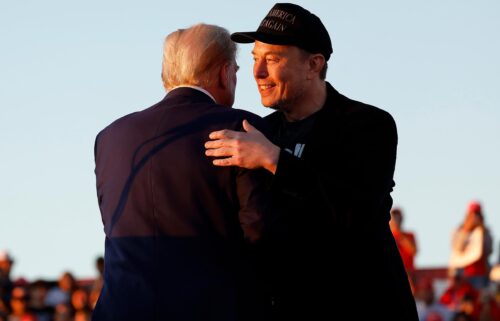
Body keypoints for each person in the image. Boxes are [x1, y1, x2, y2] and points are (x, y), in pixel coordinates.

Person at [204, 3, 418, 320]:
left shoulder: (368, 124)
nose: (258, 72)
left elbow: (359, 215)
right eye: (254, 59)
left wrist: (274, 159)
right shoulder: (261, 131)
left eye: (272, 59)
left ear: (314, 65)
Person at [92, 23, 271, 321]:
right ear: (224, 73)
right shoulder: (244, 129)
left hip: (121, 307)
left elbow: (112, 222)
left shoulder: (110, 137)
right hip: (211, 307)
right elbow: (259, 229)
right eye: (237, 72)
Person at [449, 200, 493, 291]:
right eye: (472, 215)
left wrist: (482, 233)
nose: (475, 218)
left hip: (480, 273)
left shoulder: (485, 232)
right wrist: (466, 231)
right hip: (462, 273)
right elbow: (457, 248)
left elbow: (489, 251)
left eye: (477, 214)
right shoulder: (459, 230)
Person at [390, 207, 419, 292]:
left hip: (409, 273)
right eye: (394, 217)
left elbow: (414, 251)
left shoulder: (410, 235)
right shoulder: (387, 236)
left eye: (398, 217)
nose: (396, 219)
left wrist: (399, 234)